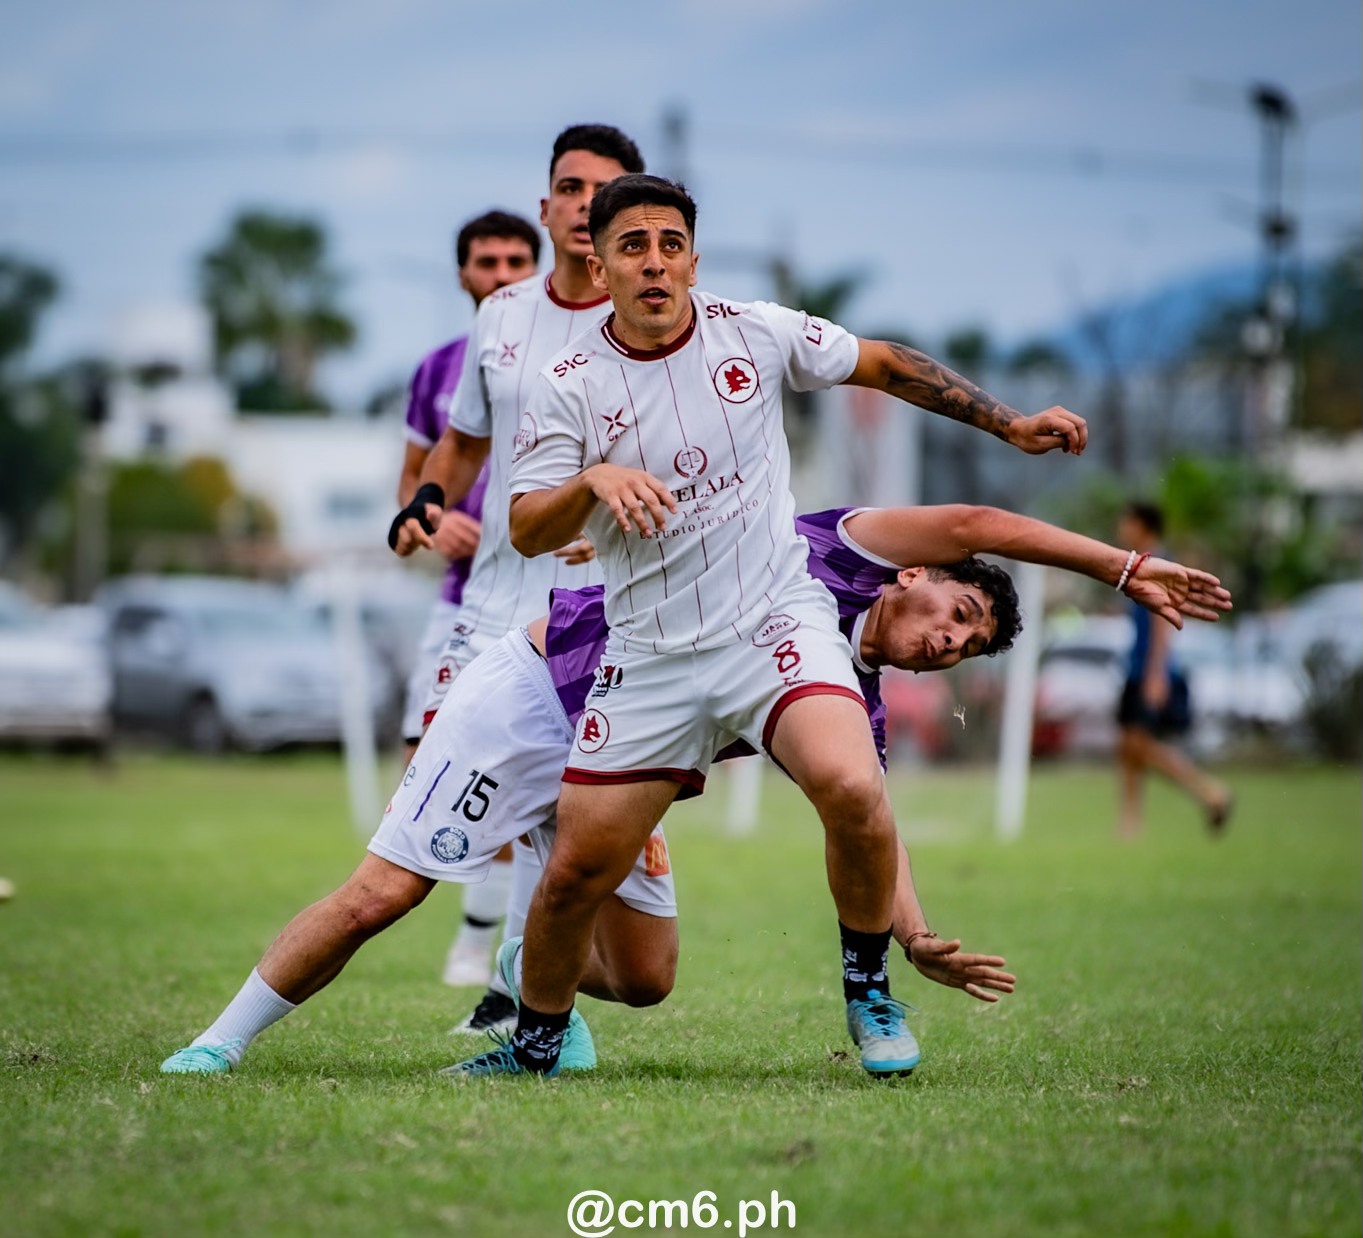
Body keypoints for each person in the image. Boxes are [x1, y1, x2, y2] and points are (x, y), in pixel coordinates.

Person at [158, 501, 1229, 1077]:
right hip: (533, 698)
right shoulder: (836, 548)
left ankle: (533, 968)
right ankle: (220, 1040)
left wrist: (914, 934)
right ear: (912, 576)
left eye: (969, 646)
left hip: (626, 765)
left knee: (647, 980)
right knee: (385, 894)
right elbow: (982, 523)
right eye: (955, 613)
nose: (951, 641)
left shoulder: (841, 696)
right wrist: (1121, 567)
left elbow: (869, 820)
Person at [491, 172, 1091, 1080]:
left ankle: (868, 993)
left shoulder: (756, 332)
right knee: (577, 873)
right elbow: (526, 525)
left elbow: (884, 362)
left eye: (669, 244)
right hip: (649, 653)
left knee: (853, 788)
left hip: (774, 623)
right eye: (631, 246)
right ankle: (531, 1047)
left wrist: (1010, 425)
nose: (653, 262)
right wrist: (589, 484)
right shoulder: (565, 383)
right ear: (598, 262)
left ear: (691, 256)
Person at [388, 124, 646, 1035]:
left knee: (563, 812)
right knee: (431, 802)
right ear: (548, 208)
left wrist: (612, 519)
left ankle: (517, 996)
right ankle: (486, 958)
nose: (585, 205)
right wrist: (424, 500)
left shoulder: (660, 324)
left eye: (604, 190)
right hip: (486, 609)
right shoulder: (501, 318)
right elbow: (461, 444)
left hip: (604, 617)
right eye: (570, 188)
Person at [396, 210, 541, 993]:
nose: (502, 274)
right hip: (463, 604)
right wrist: (434, 519)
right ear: (462, 275)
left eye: (518, 259)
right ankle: (479, 934)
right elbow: (412, 494)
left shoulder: (570, 349)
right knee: (427, 773)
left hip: (554, 612)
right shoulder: (437, 370)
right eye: (486, 261)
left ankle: (491, 962)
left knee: (534, 784)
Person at [1115, 500, 1233, 838]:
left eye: (1126, 522)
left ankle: (1210, 793)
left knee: (1139, 746)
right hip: (1136, 669)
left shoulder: (1157, 564)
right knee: (1127, 748)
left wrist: (1155, 675)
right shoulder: (1139, 563)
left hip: (1148, 672)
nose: (1120, 529)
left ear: (1142, 525)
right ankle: (1130, 822)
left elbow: (1161, 623)